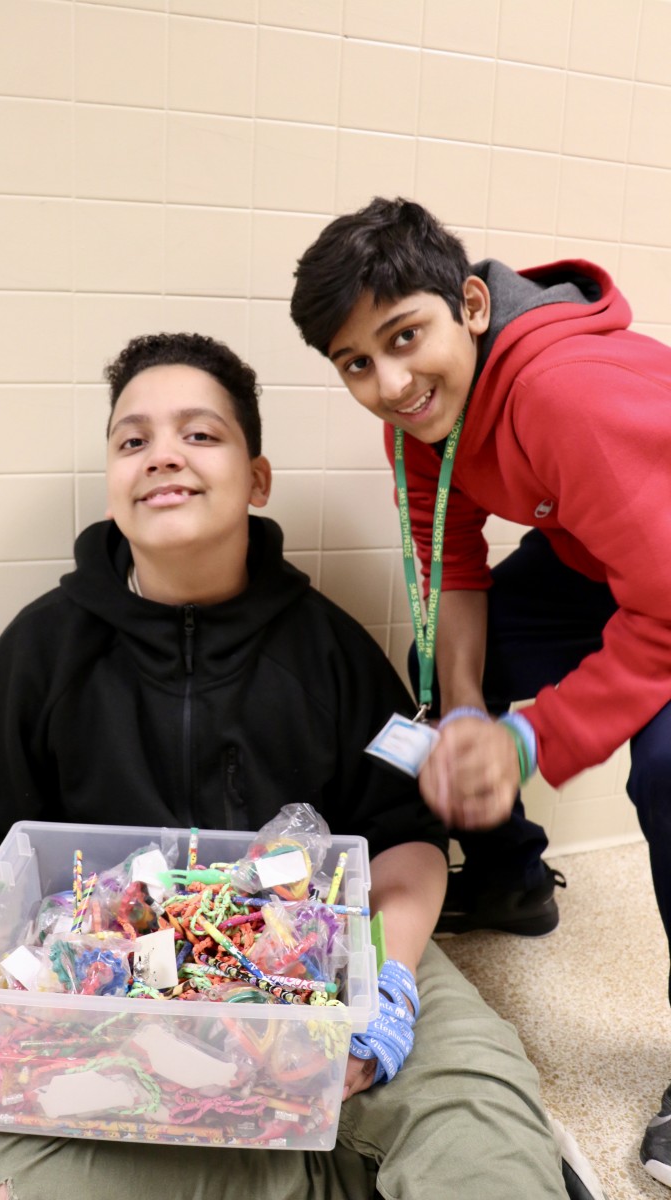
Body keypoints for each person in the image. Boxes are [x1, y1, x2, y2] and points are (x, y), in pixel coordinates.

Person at [0, 332, 574, 1200]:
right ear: (113, 482)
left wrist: (384, 985)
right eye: (133, 441)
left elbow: (406, 844)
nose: (162, 454)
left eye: (200, 434)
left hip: (317, 960)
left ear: (259, 478)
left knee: (481, 1121)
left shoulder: (331, 649)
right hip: (91, 982)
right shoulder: (43, 649)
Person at [289, 196, 671, 1187]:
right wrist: (462, 713)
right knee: (465, 682)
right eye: (354, 363)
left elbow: (660, 618)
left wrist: (528, 742)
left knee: (669, 775)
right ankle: (509, 879)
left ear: (466, 304)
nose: (387, 382)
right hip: (611, 554)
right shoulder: (420, 421)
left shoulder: (564, 395)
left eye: (402, 338)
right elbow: (449, 565)